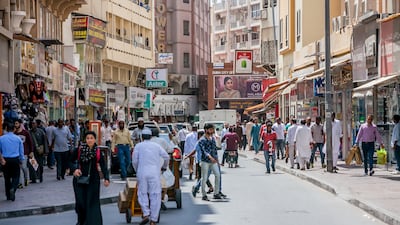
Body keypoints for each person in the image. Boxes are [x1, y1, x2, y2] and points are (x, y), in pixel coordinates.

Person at [71, 131, 110, 225]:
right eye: (87, 138)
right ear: (85, 139)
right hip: (79, 180)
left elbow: (103, 166)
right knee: (81, 202)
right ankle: (81, 221)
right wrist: (75, 169)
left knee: (92, 203)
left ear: (95, 139)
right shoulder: (79, 149)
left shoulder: (98, 151)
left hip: (93, 180)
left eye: (91, 138)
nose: (89, 140)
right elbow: (69, 160)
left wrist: (106, 178)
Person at [132, 129, 169, 225]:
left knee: (142, 193)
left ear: (142, 137)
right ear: (151, 136)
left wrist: (137, 170)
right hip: (154, 173)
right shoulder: (156, 146)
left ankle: (146, 213)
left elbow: (134, 161)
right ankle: (153, 219)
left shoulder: (138, 146)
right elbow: (166, 157)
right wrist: (164, 167)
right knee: (155, 195)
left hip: (142, 172)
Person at [0, 122, 24, 201]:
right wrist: (21, 159)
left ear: (6, 129)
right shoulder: (18, 138)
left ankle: (8, 195)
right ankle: (13, 188)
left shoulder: (1, 138)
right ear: (14, 129)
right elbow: (21, 151)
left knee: (7, 178)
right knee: (16, 176)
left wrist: (1, 159)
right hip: (15, 159)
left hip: (5, 160)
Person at [197, 123, 222, 201]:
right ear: (206, 130)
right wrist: (210, 157)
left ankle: (216, 193)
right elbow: (204, 151)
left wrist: (217, 160)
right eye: (211, 129)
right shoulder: (202, 140)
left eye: (212, 129)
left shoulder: (212, 139)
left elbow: (214, 150)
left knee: (217, 175)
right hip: (205, 161)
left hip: (213, 161)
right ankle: (204, 195)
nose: (212, 131)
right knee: (204, 178)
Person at [14, 119, 34, 187]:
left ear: (20, 124)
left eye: (16, 123)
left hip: (25, 152)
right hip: (16, 153)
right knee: (18, 168)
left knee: (23, 167)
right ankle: (20, 183)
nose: (15, 125)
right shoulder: (14, 134)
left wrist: (31, 151)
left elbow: (30, 142)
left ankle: (26, 178)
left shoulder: (25, 133)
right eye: (15, 124)